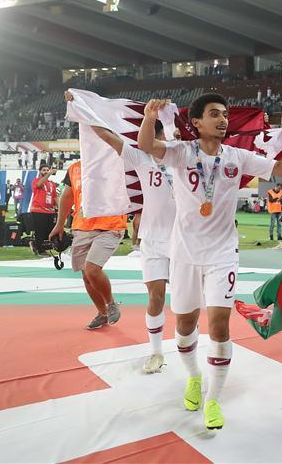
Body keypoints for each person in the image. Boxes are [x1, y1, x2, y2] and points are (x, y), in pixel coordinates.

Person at [138, 94, 282, 431]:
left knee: (220, 324)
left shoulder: (237, 156)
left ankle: (212, 399)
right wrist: (150, 116)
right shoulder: (181, 152)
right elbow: (148, 146)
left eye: (225, 114)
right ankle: (194, 377)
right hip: (183, 253)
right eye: (214, 115)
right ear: (195, 123)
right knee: (184, 326)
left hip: (223, 252)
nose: (223, 120)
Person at [85, 111, 177, 374]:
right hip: (152, 240)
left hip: (183, 241)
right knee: (156, 296)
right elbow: (107, 136)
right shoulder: (140, 158)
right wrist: (84, 108)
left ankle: (186, 346)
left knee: (184, 300)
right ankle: (156, 352)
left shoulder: (181, 159)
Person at [49, 160, 127, 329]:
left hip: (110, 225)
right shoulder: (74, 168)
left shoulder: (116, 163)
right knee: (86, 276)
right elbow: (67, 197)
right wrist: (59, 224)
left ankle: (111, 303)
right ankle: (103, 314)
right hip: (82, 226)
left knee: (92, 269)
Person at [28, 163, 58, 256]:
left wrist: (61, 208)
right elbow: (40, 184)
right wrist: (49, 173)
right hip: (38, 210)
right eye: (43, 170)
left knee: (49, 231)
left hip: (50, 211)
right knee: (40, 231)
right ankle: (41, 250)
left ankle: (35, 244)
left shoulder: (52, 184)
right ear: (40, 172)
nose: (45, 172)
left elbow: (55, 197)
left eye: (47, 170)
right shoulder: (36, 181)